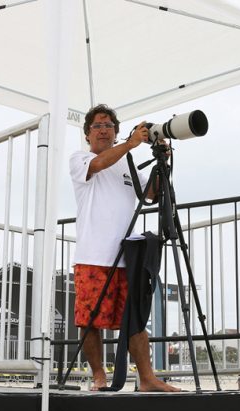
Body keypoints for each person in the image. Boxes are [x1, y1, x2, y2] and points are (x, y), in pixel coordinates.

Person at [69, 104, 178, 392]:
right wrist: (131, 144)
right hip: (93, 256)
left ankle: (147, 378)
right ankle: (99, 376)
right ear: (87, 134)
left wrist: (162, 163)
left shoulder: (125, 162)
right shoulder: (80, 158)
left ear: (116, 131)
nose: (103, 130)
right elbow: (97, 166)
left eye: (108, 125)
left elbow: (151, 194)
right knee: (89, 320)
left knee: (135, 319)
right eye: (97, 125)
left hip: (127, 256)